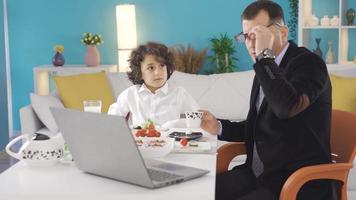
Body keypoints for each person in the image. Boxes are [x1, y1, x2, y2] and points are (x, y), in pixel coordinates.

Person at [200, 1, 334, 200]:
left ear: (283, 32)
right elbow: (259, 125)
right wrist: (218, 127)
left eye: (259, 34)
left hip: (294, 181)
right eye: (246, 36)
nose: (252, 44)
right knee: (198, 192)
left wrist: (265, 58)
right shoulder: (264, 69)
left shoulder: (310, 63)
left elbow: (286, 107)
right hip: (257, 175)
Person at [108, 42, 199, 127]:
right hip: (140, 142)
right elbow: (112, 120)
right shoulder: (131, 94)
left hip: (170, 142)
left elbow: (198, 118)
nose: (157, 72)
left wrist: (174, 124)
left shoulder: (179, 93)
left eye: (162, 66)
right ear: (139, 73)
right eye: (151, 68)